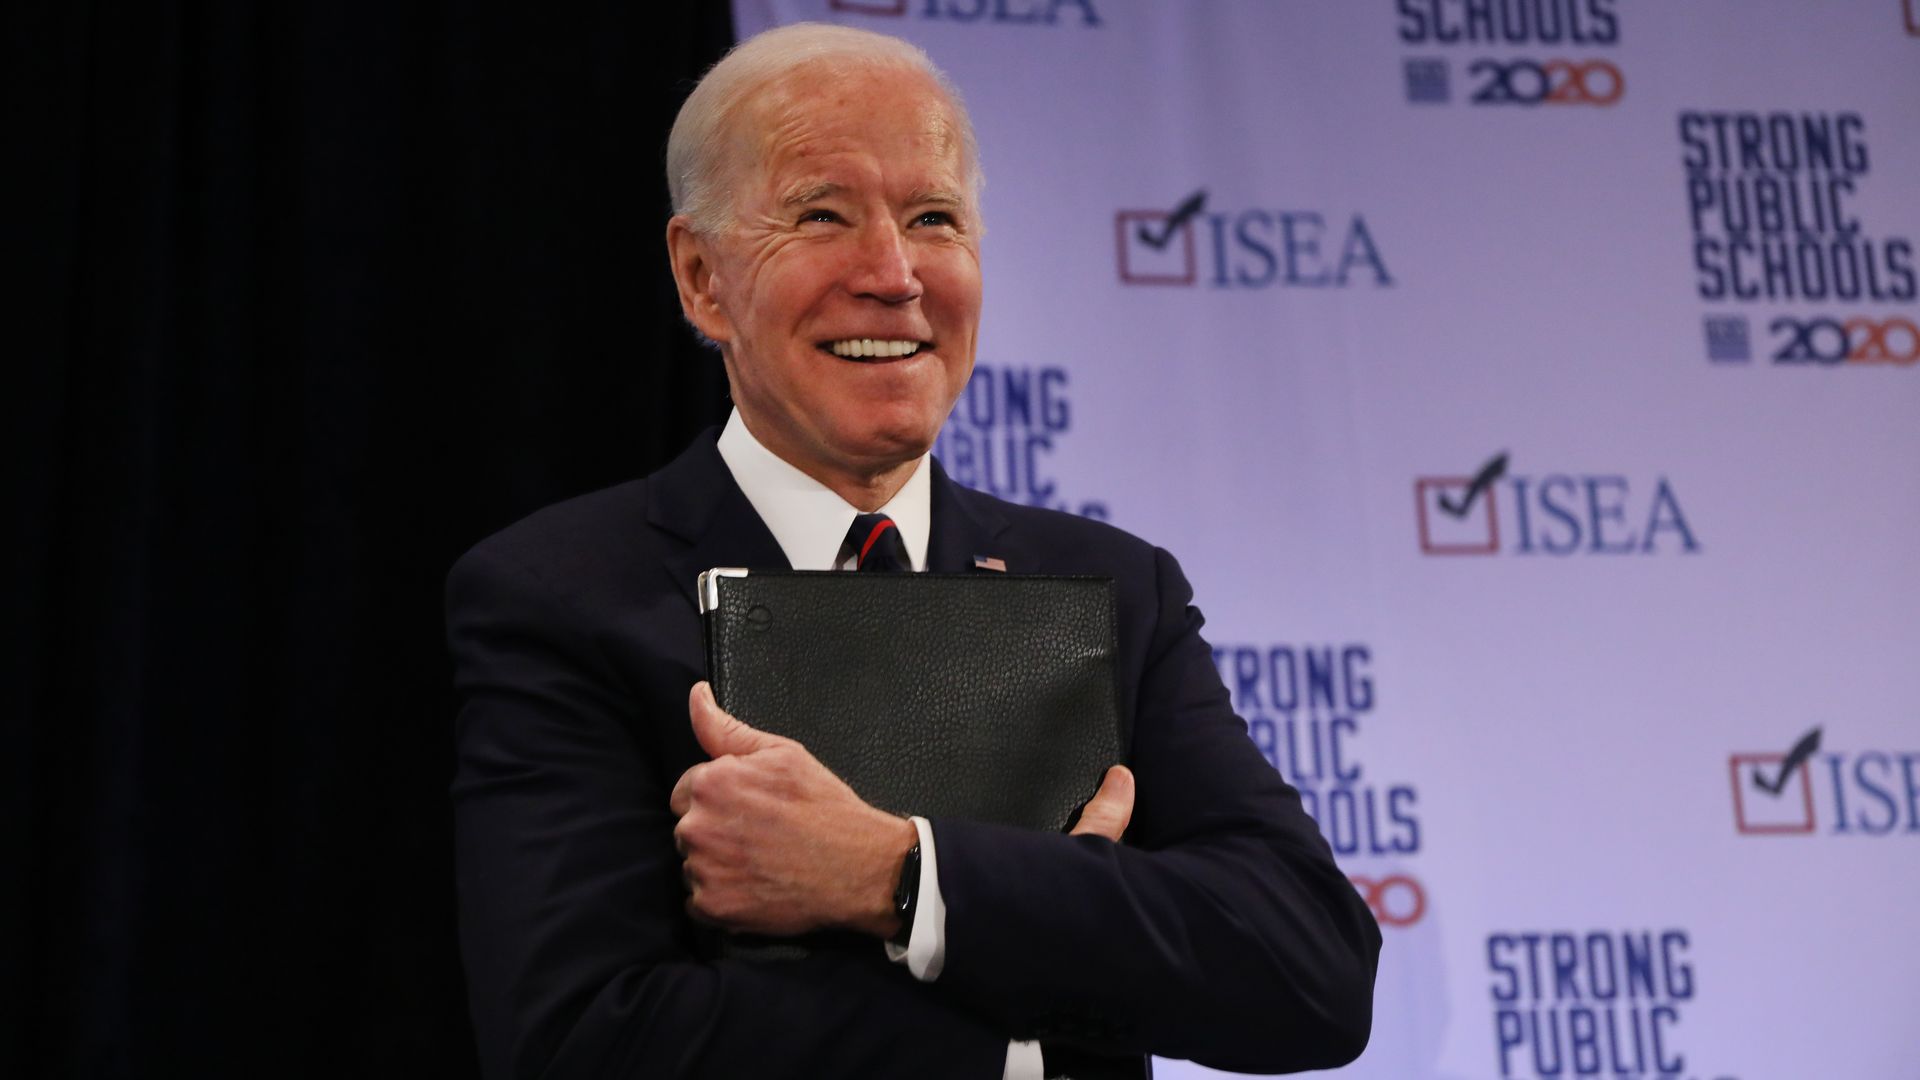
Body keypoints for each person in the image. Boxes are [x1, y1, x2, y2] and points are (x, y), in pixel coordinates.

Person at [446, 22, 1379, 1080]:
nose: (892, 274)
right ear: (702, 278)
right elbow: (582, 1043)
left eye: (934, 218)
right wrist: (1056, 970)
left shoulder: (1113, 589)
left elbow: (1313, 972)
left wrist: (897, 875)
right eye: (821, 215)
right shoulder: (563, 596)